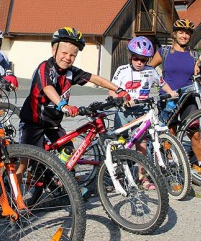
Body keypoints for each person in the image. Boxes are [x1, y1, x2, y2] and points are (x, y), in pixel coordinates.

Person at [18, 27, 130, 160]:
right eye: (64, 53)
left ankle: (56, 176)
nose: (68, 58)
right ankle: (18, 180)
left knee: (68, 150)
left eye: (72, 55)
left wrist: (119, 90)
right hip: (33, 122)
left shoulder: (71, 72)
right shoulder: (45, 67)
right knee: (24, 160)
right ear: (54, 50)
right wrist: (63, 106)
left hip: (52, 123)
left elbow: (95, 78)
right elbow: (47, 88)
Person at [149, 19, 201, 178]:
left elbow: (198, 76)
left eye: (187, 33)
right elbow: (149, 70)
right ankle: (171, 163)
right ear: (175, 34)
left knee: (195, 132)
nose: (184, 36)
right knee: (170, 132)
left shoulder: (195, 55)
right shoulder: (163, 51)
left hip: (189, 98)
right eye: (181, 32)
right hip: (168, 97)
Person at [109, 36, 164, 189]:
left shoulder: (151, 71)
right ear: (131, 56)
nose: (139, 62)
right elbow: (112, 90)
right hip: (124, 112)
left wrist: (171, 92)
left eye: (144, 60)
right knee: (120, 144)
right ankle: (118, 176)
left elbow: (161, 84)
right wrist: (120, 99)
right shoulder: (122, 70)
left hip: (142, 111)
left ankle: (143, 178)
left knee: (142, 144)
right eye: (136, 58)